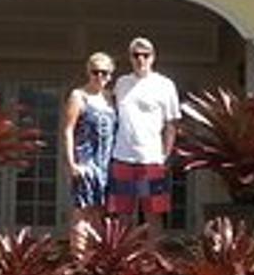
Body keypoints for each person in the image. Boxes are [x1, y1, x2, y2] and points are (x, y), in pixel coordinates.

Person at [107, 35, 180, 224]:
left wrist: (165, 155)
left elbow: (171, 124)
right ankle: (124, 255)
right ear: (130, 57)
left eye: (145, 55)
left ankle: (152, 253)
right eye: (136, 55)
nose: (141, 59)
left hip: (151, 159)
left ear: (153, 57)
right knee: (122, 214)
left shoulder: (165, 85)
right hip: (122, 157)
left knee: (153, 213)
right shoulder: (121, 83)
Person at [60, 52, 118, 246]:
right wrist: (72, 163)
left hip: (107, 165)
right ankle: (79, 263)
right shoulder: (79, 96)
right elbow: (68, 130)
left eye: (105, 73)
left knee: (100, 214)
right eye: (96, 72)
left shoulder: (111, 98)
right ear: (89, 72)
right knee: (82, 213)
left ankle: (96, 263)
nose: (100, 77)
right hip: (86, 162)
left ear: (111, 75)